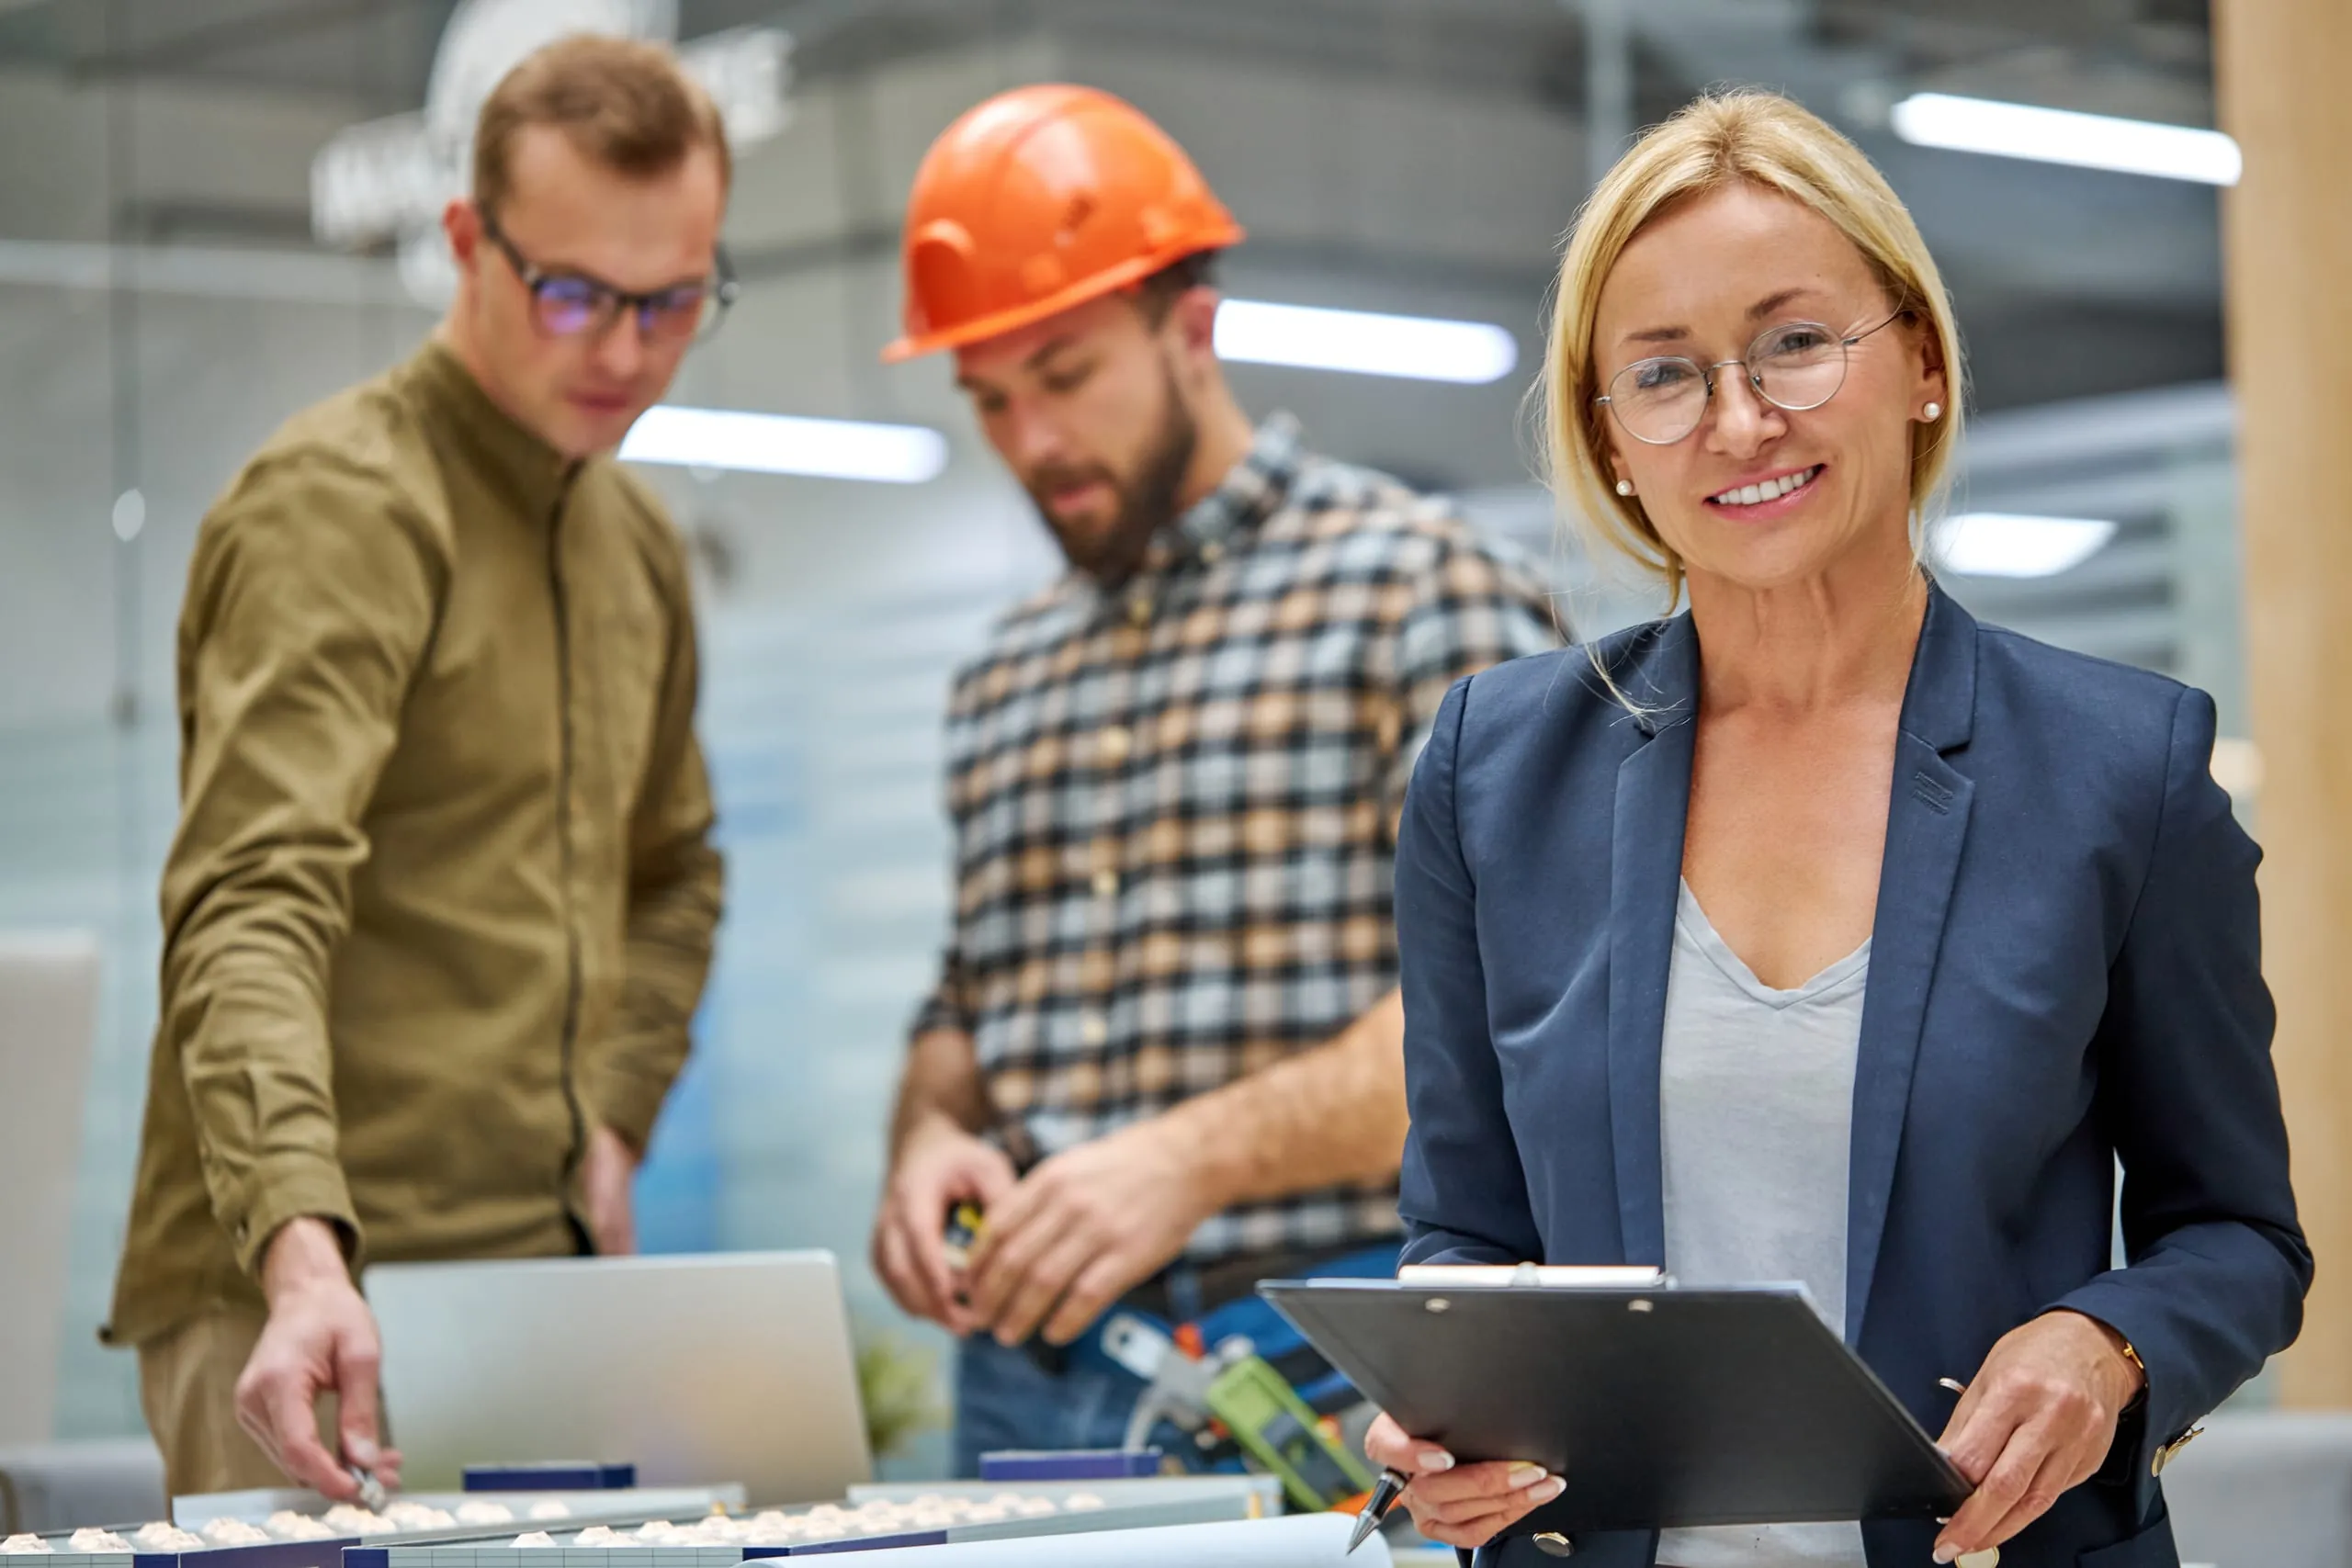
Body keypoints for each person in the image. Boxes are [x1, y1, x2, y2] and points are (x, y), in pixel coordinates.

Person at [1363, 90, 2308, 1568]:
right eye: (1664, 374)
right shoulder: (1494, 772)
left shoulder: (2129, 769)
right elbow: (1468, 1246)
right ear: (1613, 439)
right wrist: (1442, 1430)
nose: (1741, 420)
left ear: (1921, 360)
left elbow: (2242, 1239)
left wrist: (2104, 1341)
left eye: (1795, 342)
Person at [868, 85, 1558, 1472]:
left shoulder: (1422, 593)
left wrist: (1184, 1163)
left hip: (1323, 1352)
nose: (1031, 442)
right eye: (990, 399)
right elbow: (964, 1008)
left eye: (1064, 376)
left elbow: (1510, 1019)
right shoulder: (1002, 672)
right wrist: (932, 1138)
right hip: (1027, 1370)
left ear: (1192, 328)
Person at [105, 35, 729, 1502]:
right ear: (465, 240)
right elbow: (251, 900)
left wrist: (617, 1121)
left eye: (674, 302)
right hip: (299, 1306)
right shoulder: (343, 508)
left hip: (530, 1285)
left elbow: (676, 873)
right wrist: (300, 1245)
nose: (625, 350)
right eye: (573, 293)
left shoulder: (632, 541)